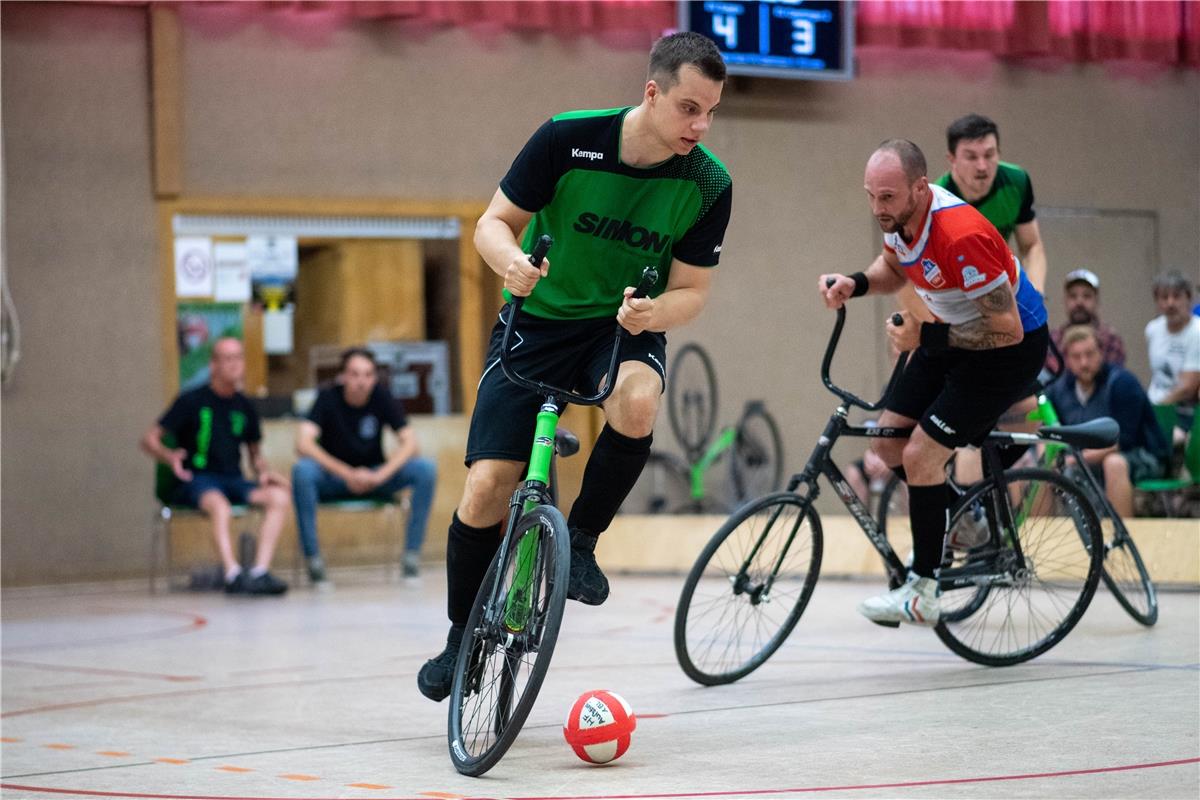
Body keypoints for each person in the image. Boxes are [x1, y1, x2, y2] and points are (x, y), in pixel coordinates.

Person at [417, 31, 731, 701]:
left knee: (640, 402)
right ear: (651, 93)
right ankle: (456, 636)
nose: (699, 126)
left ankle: (582, 540)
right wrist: (514, 266)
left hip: (620, 324)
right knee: (486, 489)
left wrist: (655, 315)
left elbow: (693, 294)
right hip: (539, 318)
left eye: (710, 112)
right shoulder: (567, 138)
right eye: (687, 108)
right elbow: (491, 224)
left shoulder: (708, 181)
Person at [820, 139, 1048, 627]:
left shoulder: (960, 235)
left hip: (1011, 349)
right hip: (948, 334)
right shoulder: (901, 220)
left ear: (921, 188)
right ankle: (964, 519)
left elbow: (1006, 328)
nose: (877, 208)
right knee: (887, 443)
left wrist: (928, 335)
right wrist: (855, 284)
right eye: (870, 196)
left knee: (923, 454)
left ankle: (924, 590)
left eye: (887, 197)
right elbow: (894, 267)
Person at [140, 337, 290, 595]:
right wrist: (169, 456)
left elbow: (255, 454)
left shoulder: (245, 406)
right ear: (214, 365)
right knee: (220, 506)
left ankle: (259, 572)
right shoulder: (191, 400)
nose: (235, 364)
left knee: (278, 497)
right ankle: (232, 574)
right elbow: (149, 440)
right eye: (228, 358)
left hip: (234, 479)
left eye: (239, 358)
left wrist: (264, 472)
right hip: (198, 479)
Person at [292, 347, 438, 586]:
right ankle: (314, 562)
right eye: (355, 374)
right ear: (343, 376)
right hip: (335, 479)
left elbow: (411, 443)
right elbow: (303, 444)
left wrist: (379, 475)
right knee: (302, 472)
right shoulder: (328, 397)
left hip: (374, 477)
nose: (362, 381)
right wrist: (347, 473)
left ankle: (411, 558)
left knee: (425, 469)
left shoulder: (381, 396)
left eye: (368, 374)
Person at [1047, 326, 1167, 518]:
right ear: (1067, 360)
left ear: (1101, 353)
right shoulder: (1058, 390)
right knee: (1042, 469)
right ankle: (1036, 537)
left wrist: (1073, 460)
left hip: (1139, 455)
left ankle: (1123, 536)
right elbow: (1047, 429)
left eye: (1089, 354)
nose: (1084, 362)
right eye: (1076, 357)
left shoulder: (1122, 383)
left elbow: (1123, 441)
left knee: (1114, 464)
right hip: (1083, 459)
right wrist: (1051, 461)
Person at [934, 113, 1047, 291]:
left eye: (989, 155)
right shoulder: (935, 204)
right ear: (952, 159)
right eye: (971, 157)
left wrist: (1035, 295)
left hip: (999, 283)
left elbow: (1031, 245)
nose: (982, 166)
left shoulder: (1017, 181)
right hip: (953, 294)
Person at [1145, 270, 1200, 439]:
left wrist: (1156, 407)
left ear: (1188, 298)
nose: (1170, 303)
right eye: (1164, 297)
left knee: (1176, 437)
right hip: (1155, 402)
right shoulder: (1152, 329)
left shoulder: (1197, 332)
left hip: (1185, 409)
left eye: (1176, 296)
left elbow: (1188, 388)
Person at [1049, 268, 1127, 368]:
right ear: (1065, 301)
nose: (1079, 302)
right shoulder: (1053, 340)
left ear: (1096, 300)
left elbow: (1114, 377)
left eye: (1087, 296)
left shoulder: (1110, 339)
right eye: (1073, 296)